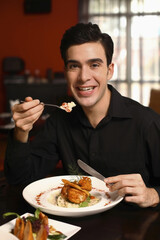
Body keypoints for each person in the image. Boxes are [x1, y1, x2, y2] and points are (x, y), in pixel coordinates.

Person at [4, 22, 160, 208]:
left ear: (109, 70)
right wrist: (21, 131)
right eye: (74, 66)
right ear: (66, 73)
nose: (84, 77)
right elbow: (20, 179)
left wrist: (153, 194)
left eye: (94, 64)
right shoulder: (59, 122)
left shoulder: (147, 122)